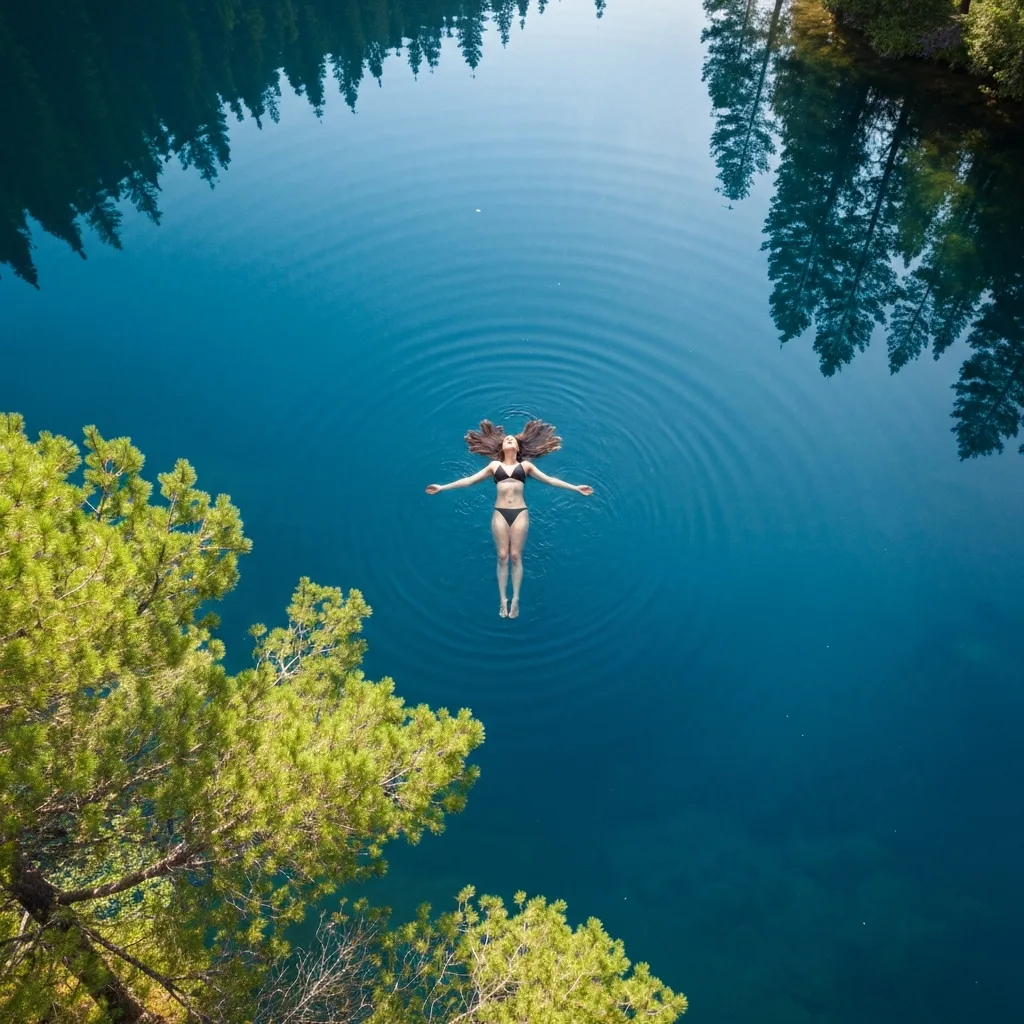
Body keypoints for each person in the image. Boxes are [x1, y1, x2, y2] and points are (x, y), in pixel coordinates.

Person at [426, 419, 594, 618]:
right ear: (502, 447)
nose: (509, 440)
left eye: (512, 440)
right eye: (506, 439)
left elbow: (550, 480)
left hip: (520, 512)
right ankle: (502, 599)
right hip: (500, 512)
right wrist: (443, 487)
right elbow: (469, 480)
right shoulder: (494, 466)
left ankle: (515, 599)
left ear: (517, 447)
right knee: (502, 556)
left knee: (515, 556)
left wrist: (575, 488)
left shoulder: (526, 466)